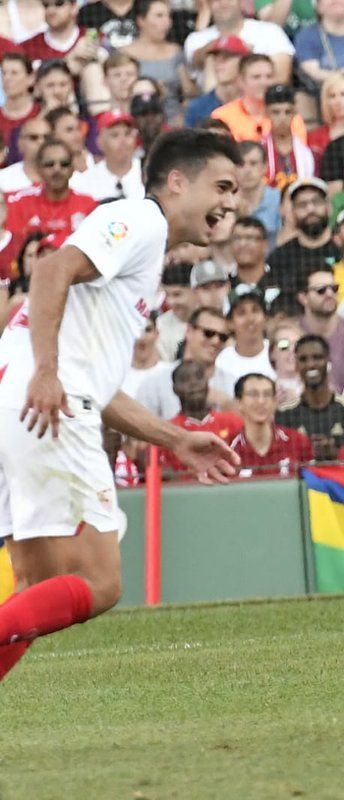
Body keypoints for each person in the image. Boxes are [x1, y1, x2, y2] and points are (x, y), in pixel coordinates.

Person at [0, 129, 242, 682]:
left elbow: (100, 386)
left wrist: (175, 439)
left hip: (22, 401)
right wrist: (47, 370)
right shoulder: (142, 220)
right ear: (177, 182)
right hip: (46, 402)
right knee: (102, 582)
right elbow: (49, 270)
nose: (231, 203)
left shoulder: (146, 249)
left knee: (37, 590)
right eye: (222, 186)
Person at [276, 333, 344, 460]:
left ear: (328, 360)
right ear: (296, 364)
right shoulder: (283, 415)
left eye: (317, 358)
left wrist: (336, 454)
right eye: (303, 359)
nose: (311, 365)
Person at [136, 306, 232, 418]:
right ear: (189, 331)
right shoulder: (155, 383)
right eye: (208, 333)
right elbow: (141, 430)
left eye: (223, 337)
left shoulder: (232, 384)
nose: (216, 341)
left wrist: (229, 406)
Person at [4, 140, 98, 243]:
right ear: (38, 168)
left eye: (64, 164)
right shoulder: (19, 203)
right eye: (49, 164)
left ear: (72, 169)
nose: (57, 169)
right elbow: (12, 248)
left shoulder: (88, 205)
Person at [161, 359, 245, 474]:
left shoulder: (233, 421)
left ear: (207, 383)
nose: (193, 383)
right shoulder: (167, 431)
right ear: (174, 389)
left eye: (199, 377)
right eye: (185, 380)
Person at [296, 269, 344, 392]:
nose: (329, 294)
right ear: (303, 298)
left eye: (334, 288)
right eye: (321, 290)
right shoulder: (292, 337)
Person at [268, 178, 342, 301]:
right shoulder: (280, 257)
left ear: (329, 207)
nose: (310, 209)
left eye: (316, 202)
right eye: (302, 204)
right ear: (292, 212)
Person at [230, 372, 313, 476]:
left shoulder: (298, 442)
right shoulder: (226, 449)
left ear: (275, 402)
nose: (261, 401)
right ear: (239, 403)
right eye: (253, 394)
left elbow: (312, 485)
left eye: (267, 394)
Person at [70, 109, 144, 201]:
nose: (123, 141)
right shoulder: (86, 181)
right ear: (100, 142)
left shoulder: (147, 172)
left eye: (127, 134)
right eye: (115, 135)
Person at [214, 290, 275, 397]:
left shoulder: (277, 353)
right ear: (229, 323)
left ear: (266, 318)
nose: (250, 319)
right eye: (241, 313)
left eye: (255, 310)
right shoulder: (220, 361)